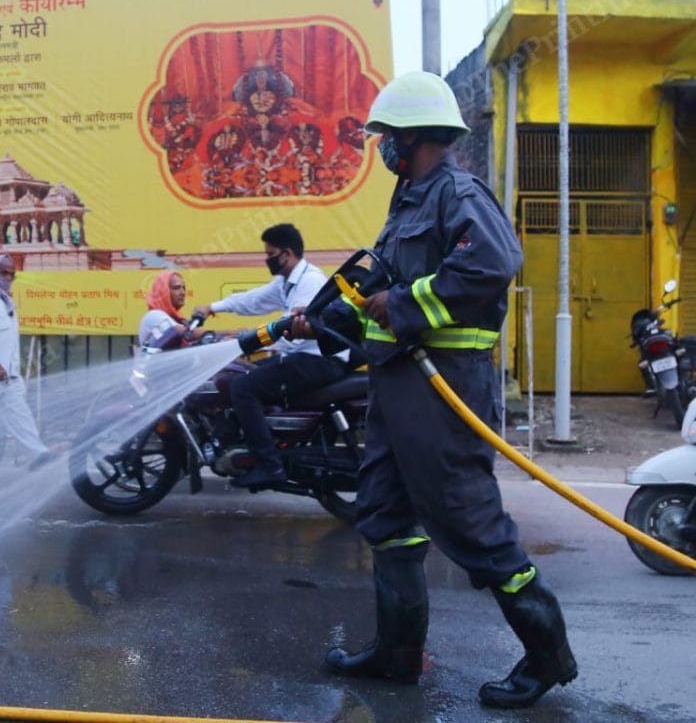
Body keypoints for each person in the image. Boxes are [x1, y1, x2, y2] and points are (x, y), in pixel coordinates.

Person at [297, 71, 576, 708]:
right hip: (398, 387)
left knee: (469, 520)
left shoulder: (457, 192)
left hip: (444, 390)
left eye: (386, 137)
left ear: (415, 136)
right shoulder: (410, 200)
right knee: (386, 512)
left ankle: (548, 654)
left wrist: (405, 303)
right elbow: (378, 280)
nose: (381, 148)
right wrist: (325, 315)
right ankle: (398, 654)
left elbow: (491, 263)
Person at [191, 223, 351, 489]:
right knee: (241, 375)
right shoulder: (286, 282)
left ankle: (270, 465)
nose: (267, 259)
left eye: (270, 254)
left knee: (243, 387)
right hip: (304, 356)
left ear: (286, 254)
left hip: (320, 359)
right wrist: (212, 307)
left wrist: (242, 340)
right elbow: (253, 300)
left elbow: (292, 331)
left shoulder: (310, 281)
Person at [0, 254, 53, 469]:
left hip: (8, 374)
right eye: (3, 272)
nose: (7, 277)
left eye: (12, 274)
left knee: (20, 414)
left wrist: (8, 367)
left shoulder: (6, 301)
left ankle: (37, 454)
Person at [138, 270, 202, 351]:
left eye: (183, 288)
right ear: (163, 291)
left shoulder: (178, 319)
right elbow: (180, 332)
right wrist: (212, 333)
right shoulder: (154, 315)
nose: (183, 292)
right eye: (176, 288)